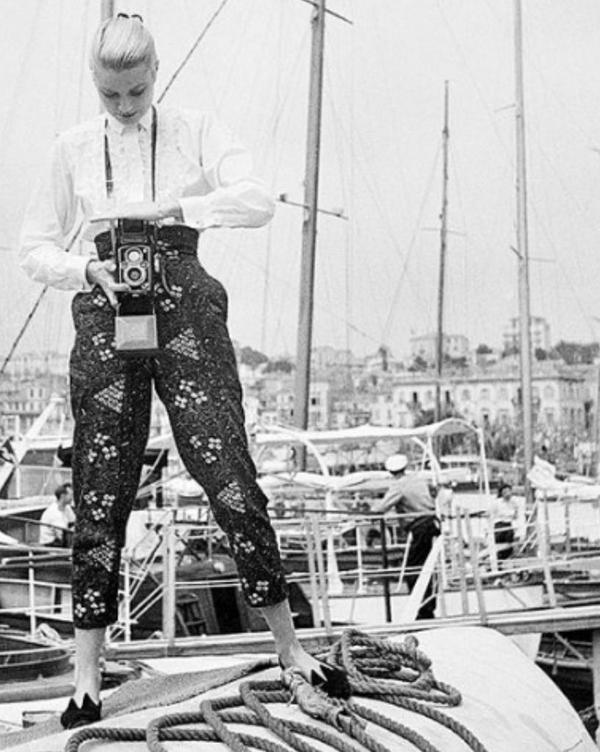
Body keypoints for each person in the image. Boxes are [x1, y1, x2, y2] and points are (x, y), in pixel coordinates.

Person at [19, 14, 349, 729]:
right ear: (95, 85)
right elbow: (32, 248)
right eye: (112, 95)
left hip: (186, 306)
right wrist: (86, 267)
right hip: (105, 309)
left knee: (227, 470)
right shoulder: (71, 149)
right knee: (100, 491)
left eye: (136, 91)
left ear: (156, 73)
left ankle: (290, 648)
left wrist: (180, 207)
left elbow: (259, 200)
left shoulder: (197, 129)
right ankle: (85, 675)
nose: (126, 106)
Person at [372, 453, 441, 619]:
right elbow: (433, 493)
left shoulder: (398, 486)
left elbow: (382, 507)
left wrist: (369, 513)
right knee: (426, 567)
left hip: (420, 527)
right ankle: (427, 606)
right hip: (432, 523)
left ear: (390, 471)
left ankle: (422, 608)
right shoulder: (418, 479)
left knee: (414, 568)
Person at [39, 482, 75, 547]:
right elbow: (62, 535)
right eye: (71, 495)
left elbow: (74, 522)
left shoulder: (67, 507)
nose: (72, 498)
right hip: (50, 544)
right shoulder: (54, 512)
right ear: (63, 496)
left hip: (61, 539)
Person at [493, 482, 518, 561]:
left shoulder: (514, 502)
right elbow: (493, 514)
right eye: (505, 492)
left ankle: (504, 559)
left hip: (509, 524)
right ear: (502, 494)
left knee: (509, 545)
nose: (507, 494)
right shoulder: (497, 502)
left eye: (509, 491)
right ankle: (498, 561)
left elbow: (515, 516)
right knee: (500, 544)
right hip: (499, 524)